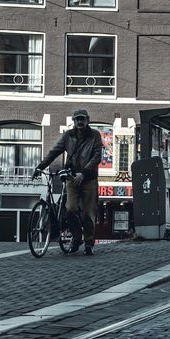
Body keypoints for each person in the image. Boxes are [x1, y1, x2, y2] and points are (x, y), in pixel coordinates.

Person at [32, 109, 103, 254]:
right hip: (71, 177)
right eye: (77, 119)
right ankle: (77, 238)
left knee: (88, 213)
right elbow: (54, 152)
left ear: (88, 120)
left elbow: (97, 156)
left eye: (82, 119)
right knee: (70, 209)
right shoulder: (68, 136)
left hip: (88, 178)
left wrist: (83, 173)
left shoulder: (94, 135)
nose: (80, 122)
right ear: (74, 121)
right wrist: (40, 167)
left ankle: (89, 243)